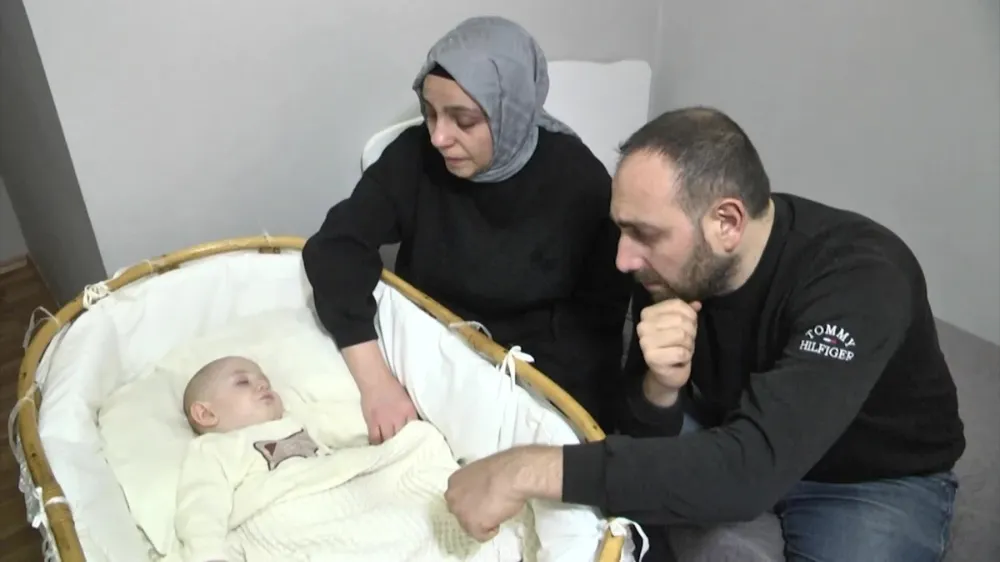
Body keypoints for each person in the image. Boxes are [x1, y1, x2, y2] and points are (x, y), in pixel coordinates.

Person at [442, 107, 966, 562]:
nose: (623, 259)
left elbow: (748, 470)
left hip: (866, 478)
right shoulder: (670, 268)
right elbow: (640, 432)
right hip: (732, 422)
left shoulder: (861, 276)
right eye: (622, 229)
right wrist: (660, 389)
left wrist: (525, 469)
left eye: (644, 234)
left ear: (728, 222)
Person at [302, 16, 631, 444]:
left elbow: (596, 333)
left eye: (464, 120)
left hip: (530, 378)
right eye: (430, 113)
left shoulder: (580, 184)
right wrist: (377, 384)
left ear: (511, 113)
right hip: (428, 349)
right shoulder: (415, 157)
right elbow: (335, 249)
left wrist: (500, 410)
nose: (439, 137)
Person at [176, 356, 519, 561]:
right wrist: (207, 554)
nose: (263, 385)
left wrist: (399, 424)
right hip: (282, 512)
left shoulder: (298, 420)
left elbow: (355, 427)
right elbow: (202, 504)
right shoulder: (214, 449)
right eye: (242, 382)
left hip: (345, 492)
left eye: (264, 380)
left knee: (418, 444)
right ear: (205, 413)